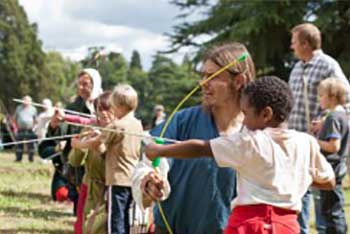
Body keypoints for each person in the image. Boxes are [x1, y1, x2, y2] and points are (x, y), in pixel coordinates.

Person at [145, 76, 336, 234]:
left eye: (246, 113)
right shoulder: (306, 142)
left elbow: (201, 147)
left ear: (266, 114)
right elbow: (329, 182)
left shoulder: (250, 141)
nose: (244, 120)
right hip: (288, 226)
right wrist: (292, 176)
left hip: (248, 225)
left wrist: (159, 150)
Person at [132, 42, 256, 234]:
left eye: (212, 77)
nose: (203, 83)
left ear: (238, 81)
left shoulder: (255, 132)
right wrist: (150, 182)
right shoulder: (183, 120)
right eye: (203, 76)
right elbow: (152, 159)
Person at [288, 22, 349, 234]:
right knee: (299, 191)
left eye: (294, 42)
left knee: (323, 195)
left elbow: (346, 100)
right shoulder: (296, 68)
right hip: (296, 141)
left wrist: (327, 120)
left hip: (318, 145)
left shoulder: (328, 65)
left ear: (305, 44)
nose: (291, 46)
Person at [41, 68, 102, 214]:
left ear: (95, 84)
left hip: (101, 165)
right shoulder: (73, 107)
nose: (80, 88)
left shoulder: (106, 104)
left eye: (85, 84)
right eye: (79, 84)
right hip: (80, 166)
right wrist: (55, 124)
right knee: (81, 208)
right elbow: (61, 132)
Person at [86, 84, 143, 234]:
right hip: (132, 179)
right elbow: (106, 148)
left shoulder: (116, 125)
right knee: (125, 218)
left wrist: (78, 143)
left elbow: (96, 143)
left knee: (115, 219)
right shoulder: (138, 125)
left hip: (117, 180)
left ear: (118, 106)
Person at [68, 91, 112, 234]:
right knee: (83, 227)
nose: (104, 114)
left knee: (101, 229)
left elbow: (114, 162)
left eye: (108, 109)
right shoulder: (89, 129)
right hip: (88, 187)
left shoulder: (120, 132)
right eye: (100, 109)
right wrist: (81, 144)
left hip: (110, 191)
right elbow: (74, 161)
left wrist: (99, 145)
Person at [313, 78, 348, 233]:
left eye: (321, 95)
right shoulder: (342, 115)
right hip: (339, 167)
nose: (319, 99)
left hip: (332, 168)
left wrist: (313, 141)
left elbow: (334, 146)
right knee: (333, 207)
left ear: (332, 97)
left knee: (332, 210)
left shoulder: (333, 117)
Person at [14, 95, 37, 162]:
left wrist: (34, 127)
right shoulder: (18, 108)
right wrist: (16, 127)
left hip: (30, 130)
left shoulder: (33, 109)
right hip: (20, 129)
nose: (25, 101)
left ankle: (31, 159)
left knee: (30, 145)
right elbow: (15, 118)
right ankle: (18, 158)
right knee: (19, 145)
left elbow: (35, 120)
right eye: (24, 100)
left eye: (27, 100)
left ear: (30, 101)